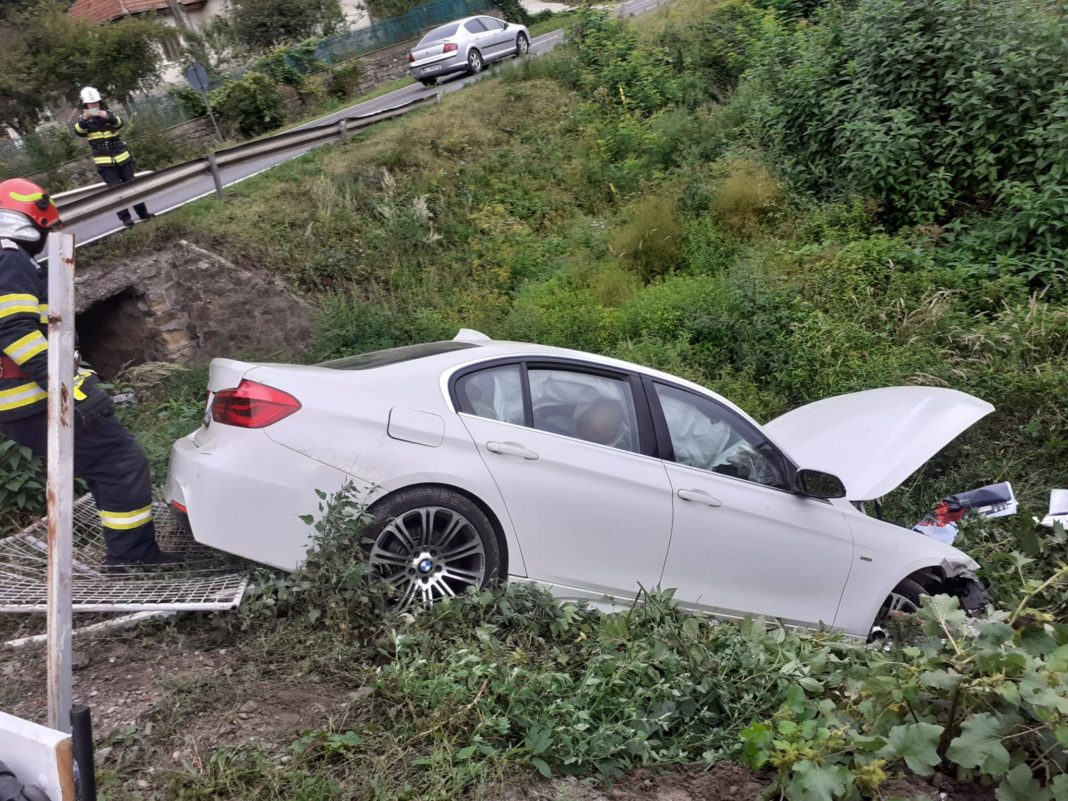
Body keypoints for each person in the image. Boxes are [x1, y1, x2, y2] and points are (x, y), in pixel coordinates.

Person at [0, 178, 177, 568]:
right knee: (120, 461)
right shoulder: (8, 256)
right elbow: (14, 329)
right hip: (34, 397)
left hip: (17, 402)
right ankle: (133, 560)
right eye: (46, 227)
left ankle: (128, 555)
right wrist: (68, 387)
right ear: (30, 219)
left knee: (102, 465)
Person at [72, 87, 153, 230]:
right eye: (91, 104)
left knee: (132, 187)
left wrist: (108, 117)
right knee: (115, 193)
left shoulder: (108, 114)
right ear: (86, 105)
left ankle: (143, 213)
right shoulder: (83, 120)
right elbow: (79, 132)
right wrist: (84, 120)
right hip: (105, 164)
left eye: (96, 103)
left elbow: (120, 123)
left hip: (122, 159)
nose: (94, 106)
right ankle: (126, 220)